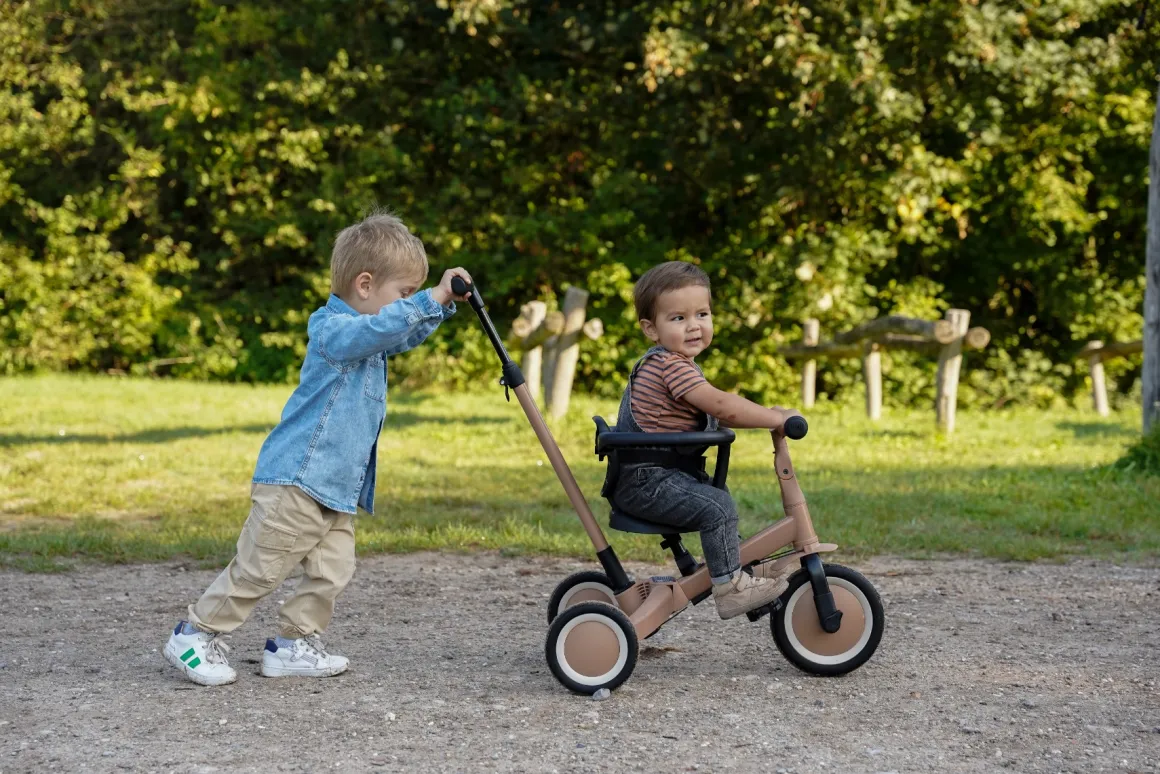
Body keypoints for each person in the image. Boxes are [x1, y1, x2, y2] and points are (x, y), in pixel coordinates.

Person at [163, 211, 471, 685]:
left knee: (332, 572)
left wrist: (441, 304)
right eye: (404, 293)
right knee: (260, 569)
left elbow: (400, 332)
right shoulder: (334, 331)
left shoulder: (371, 337)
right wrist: (430, 298)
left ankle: (293, 644)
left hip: (335, 488)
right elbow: (383, 329)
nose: (408, 303)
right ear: (364, 285)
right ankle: (196, 635)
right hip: (297, 481)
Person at [609, 261, 799, 619]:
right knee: (717, 507)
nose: (694, 325)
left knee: (717, 497)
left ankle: (733, 570)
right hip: (648, 483)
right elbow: (723, 405)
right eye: (678, 318)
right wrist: (777, 419)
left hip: (654, 478)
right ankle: (730, 588)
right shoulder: (670, 366)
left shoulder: (678, 365)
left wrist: (766, 414)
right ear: (651, 329)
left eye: (702, 314)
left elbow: (717, 412)